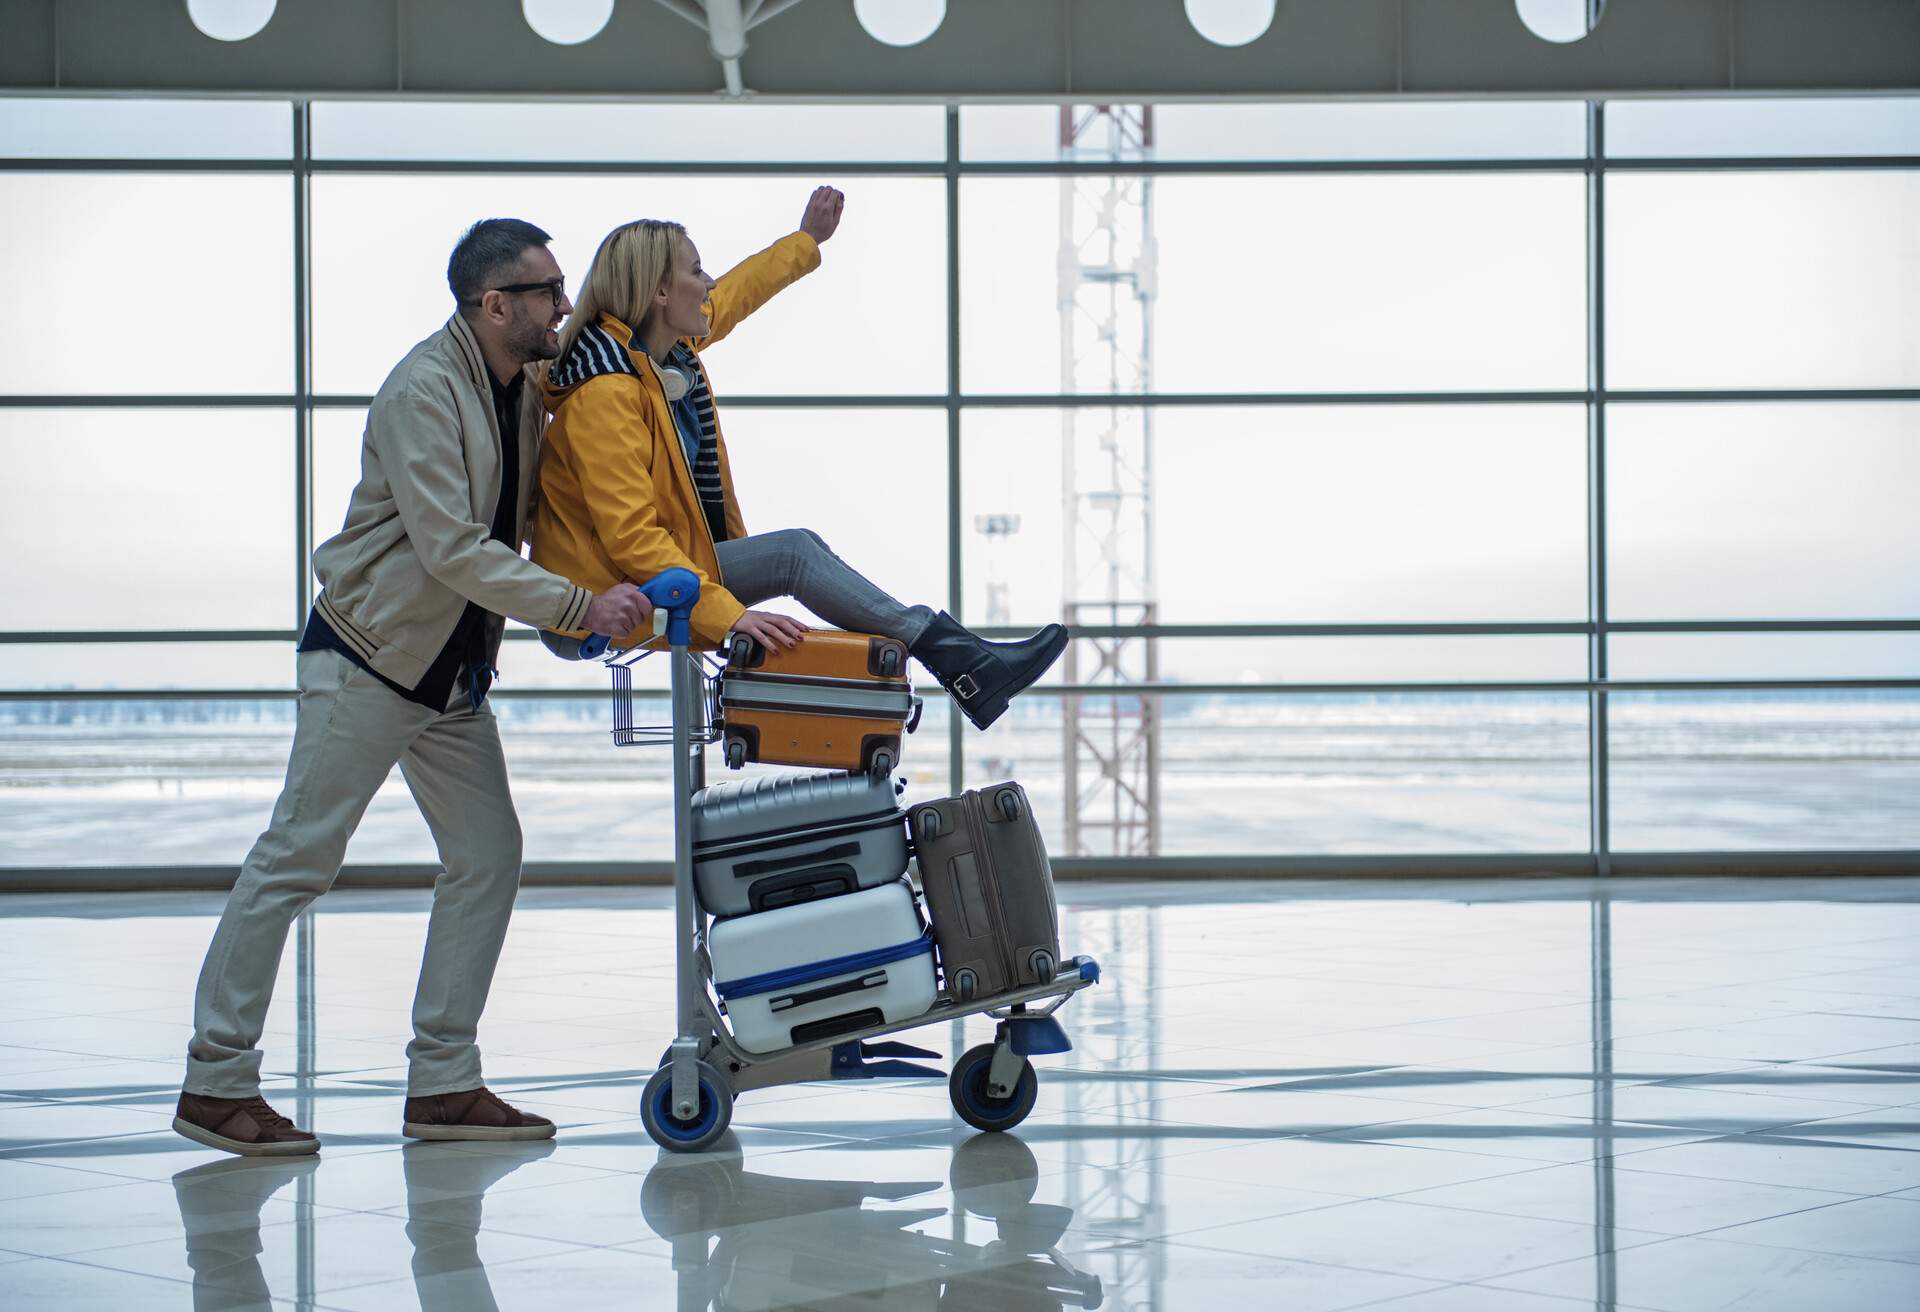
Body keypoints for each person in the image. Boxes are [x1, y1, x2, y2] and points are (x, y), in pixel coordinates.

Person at [174, 219, 655, 1157]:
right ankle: (214, 1081)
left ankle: (442, 1084)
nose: (565, 303)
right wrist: (577, 607)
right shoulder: (422, 390)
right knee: (295, 862)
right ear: (494, 305)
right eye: (548, 290)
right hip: (368, 659)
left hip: (450, 676)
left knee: (489, 855)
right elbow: (452, 550)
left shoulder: (521, 388)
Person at [531, 187, 1067, 729]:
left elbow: (735, 295)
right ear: (660, 293)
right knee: (794, 554)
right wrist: (732, 617)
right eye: (697, 271)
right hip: (605, 593)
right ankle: (963, 662)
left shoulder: (663, 356)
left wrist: (805, 241)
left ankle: (965, 662)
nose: (711, 282)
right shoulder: (605, 392)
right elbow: (629, 536)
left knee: (799, 548)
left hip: (654, 567)